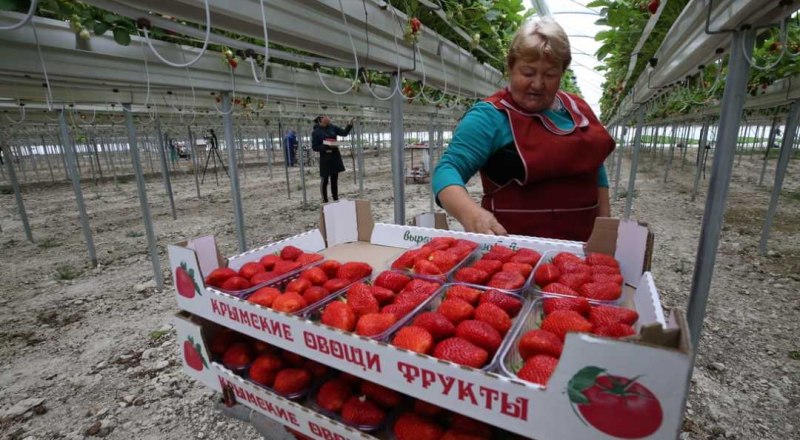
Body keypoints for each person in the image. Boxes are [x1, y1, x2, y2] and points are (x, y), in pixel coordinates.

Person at [432, 17, 615, 242]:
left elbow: (595, 164)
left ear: (562, 72)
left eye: (550, 75)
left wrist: (605, 224)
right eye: (528, 73)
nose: (538, 84)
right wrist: (471, 214)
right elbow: (447, 169)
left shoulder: (579, 109)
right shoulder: (490, 116)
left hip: (580, 249)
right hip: (513, 256)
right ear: (510, 67)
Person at [311, 115, 354, 203]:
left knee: (334, 179)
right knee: (325, 180)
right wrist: (326, 146)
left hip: (334, 156)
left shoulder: (332, 127)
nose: (328, 118)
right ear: (320, 119)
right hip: (325, 158)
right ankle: (325, 201)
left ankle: (335, 199)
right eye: (326, 116)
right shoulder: (316, 132)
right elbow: (315, 147)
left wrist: (349, 125)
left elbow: (344, 133)